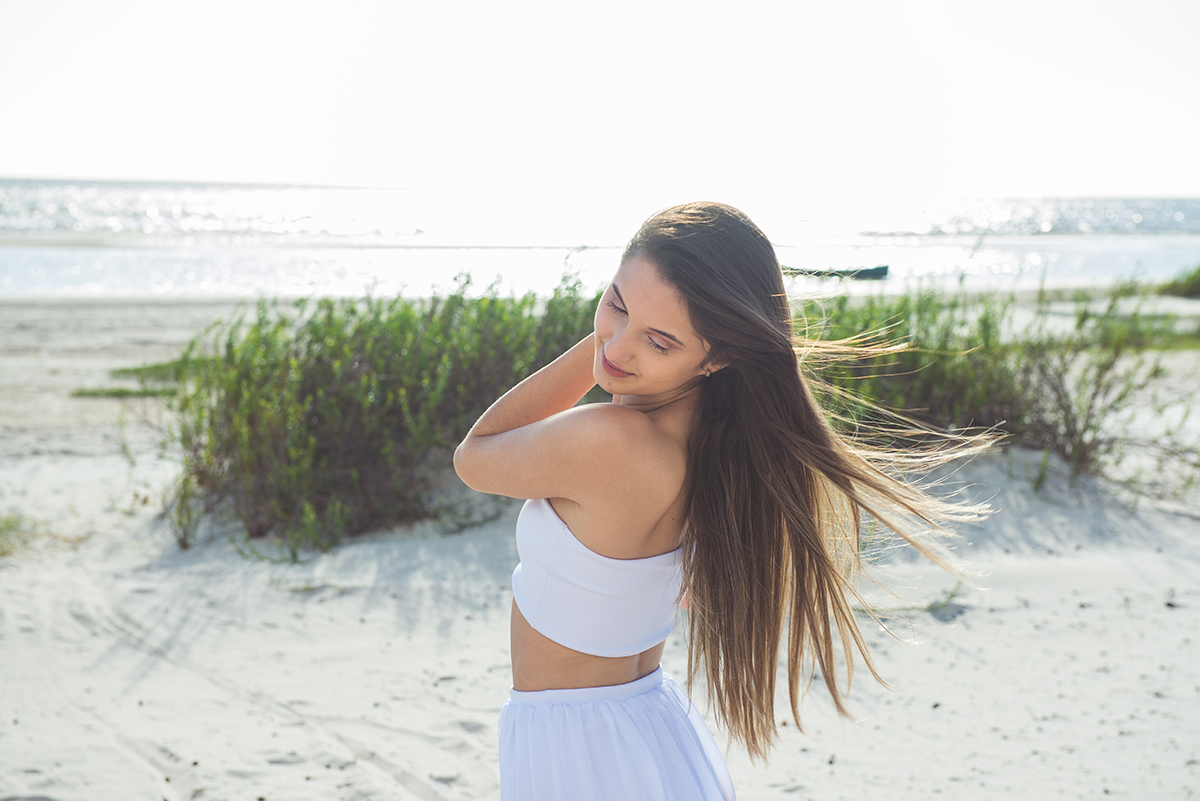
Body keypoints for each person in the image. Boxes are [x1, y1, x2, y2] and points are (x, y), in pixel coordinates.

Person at [453, 202, 990, 800]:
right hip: (642, 725)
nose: (623, 347)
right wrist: (627, 335)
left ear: (717, 358)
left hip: (578, 747)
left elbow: (474, 456)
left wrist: (601, 344)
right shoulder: (712, 443)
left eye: (659, 341)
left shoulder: (610, 441)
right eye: (616, 301)